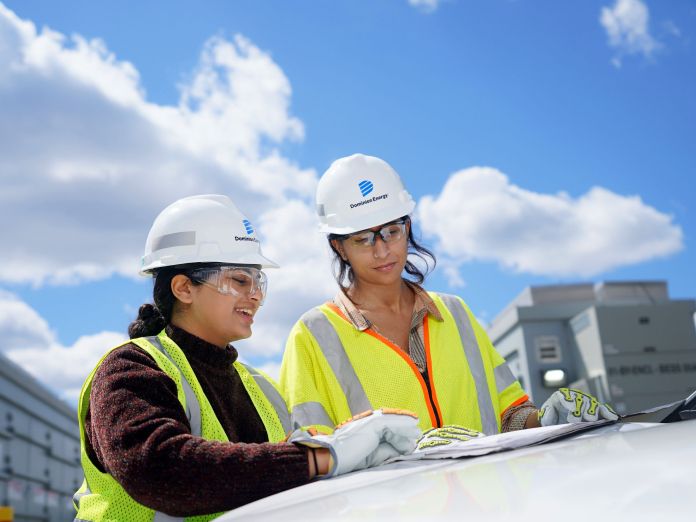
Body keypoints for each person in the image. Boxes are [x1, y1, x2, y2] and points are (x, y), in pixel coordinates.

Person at [73, 194, 421, 521]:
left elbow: (282, 477)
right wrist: (323, 456)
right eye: (239, 280)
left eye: (258, 282)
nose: (255, 296)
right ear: (183, 288)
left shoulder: (262, 389)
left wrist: (353, 451)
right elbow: (159, 468)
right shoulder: (131, 370)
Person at [279, 154, 618, 436]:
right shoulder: (313, 336)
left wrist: (546, 420)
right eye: (363, 239)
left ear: (407, 227)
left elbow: (509, 415)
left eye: (391, 232)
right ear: (339, 246)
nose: (382, 250)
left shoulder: (455, 313)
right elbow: (313, 457)